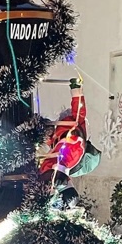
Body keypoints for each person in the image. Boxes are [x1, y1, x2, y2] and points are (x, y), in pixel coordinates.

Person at [38, 78, 87, 206]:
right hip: (70, 135)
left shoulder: (49, 170)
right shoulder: (74, 152)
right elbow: (80, 113)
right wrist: (76, 90)